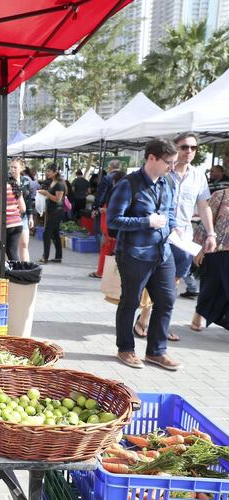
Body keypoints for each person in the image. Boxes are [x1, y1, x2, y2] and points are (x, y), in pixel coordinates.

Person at [107, 138, 180, 371]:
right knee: (131, 302)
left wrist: (174, 226)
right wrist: (146, 221)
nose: (172, 167)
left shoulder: (168, 182)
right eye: (168, 162)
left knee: (167, 301)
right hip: (134, 254)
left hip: (162, 252)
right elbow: (113, 221)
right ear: (152, 158)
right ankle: (125, 348)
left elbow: (168, 213)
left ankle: (156, 352)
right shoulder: (128, 184)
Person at [134, 133, 216, 338]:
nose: (189, 151)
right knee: (154, 279)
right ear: (175, 148)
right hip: (158, 234)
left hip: (184, 238)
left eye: (194, 148)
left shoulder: (198, 176)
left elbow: (203, 205)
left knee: (174, 281)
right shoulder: (162, 171)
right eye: (185, 147)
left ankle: (159, 322)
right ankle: (144, 318)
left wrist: (211, 233)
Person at [191, 187, 229, 331]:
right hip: (217, 250)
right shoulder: (220, 195)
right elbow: (205, 223)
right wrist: (199, 249)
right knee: (210, 287)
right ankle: (199, 313)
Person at [90, 160, 123, 277]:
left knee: (105, 241)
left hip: (107, 210)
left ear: (110, 167)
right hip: (121, 212)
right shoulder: (126, 178)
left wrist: (96, 208)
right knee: (116, 242)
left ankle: (102, 270)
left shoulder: (107, 178)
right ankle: (112, 271)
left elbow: (101, 195)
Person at [37, 163, 66, 263]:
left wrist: (47, 194)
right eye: (47, 170)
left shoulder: (60, 184)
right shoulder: (52, 182)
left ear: (55, 172)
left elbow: (58, 199)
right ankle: (58, 257)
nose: (47, 173)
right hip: (51, 211)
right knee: (55, 234)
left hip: (56, 212)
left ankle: (45, 257)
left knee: (46, 233)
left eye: (49, 171)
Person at [16, 159, 35, 261]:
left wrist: (30, 217)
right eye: (11, 167)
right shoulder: (7, 181)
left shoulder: (26, 181)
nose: (13, 170)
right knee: (11, 246)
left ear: (21, 168)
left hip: (23, 217)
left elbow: (29, 200)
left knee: (24, 244)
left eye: (15, 167)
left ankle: (26, 267)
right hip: (11, 216)